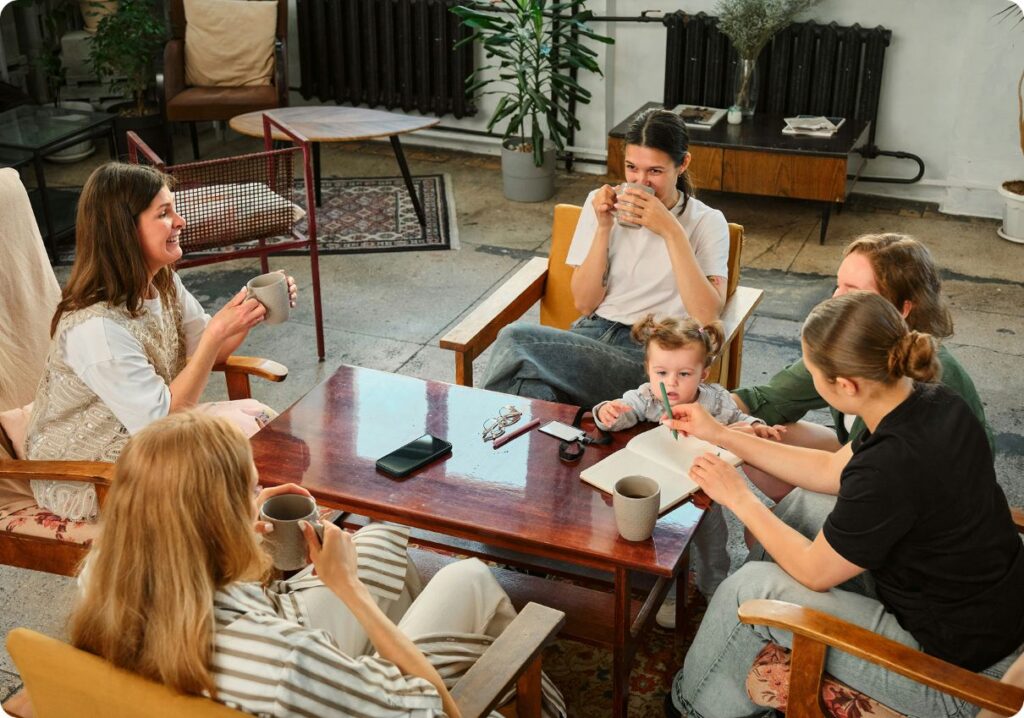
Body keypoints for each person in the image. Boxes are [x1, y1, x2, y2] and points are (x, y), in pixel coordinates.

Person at [664, 292, 1024, 718]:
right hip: (986, 607)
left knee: (746, 592)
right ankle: (745, 645)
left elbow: (816, 571)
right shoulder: (932, 400)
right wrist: (722, 435)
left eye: (812, 372)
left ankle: (689, 706)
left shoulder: (891, 467)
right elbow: (832, 471)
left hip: (958, 667)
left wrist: (738, 496)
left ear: (846, 387)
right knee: (800, 506)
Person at [68, 411, 566, 718]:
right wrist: (351, 591)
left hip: (277, 650)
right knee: (469, 576)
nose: (260, 497)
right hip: (358, 689)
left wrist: (245, 538)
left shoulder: (101, 582)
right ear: (219, 520)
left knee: (386, 546)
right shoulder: (287, 663)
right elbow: (438, 712)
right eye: (251, 490)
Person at [24, 162, 297, 521]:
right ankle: (259, 550)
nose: (180, 221)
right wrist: (217, 331)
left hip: (149, 433)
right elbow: (162, 423)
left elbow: (208, 353)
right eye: (164, 214)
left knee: (263, 430)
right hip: (95, 471)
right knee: (224, 475)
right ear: (125, 230)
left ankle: (281, 536)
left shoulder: (162, 281)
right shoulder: (96, 329)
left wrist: (248, 312)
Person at [482, 108, 731, 409]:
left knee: (515, 339)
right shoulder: (601, 203)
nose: (641, 181)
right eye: (632, 168)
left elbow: (707, 315)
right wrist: (603, 227)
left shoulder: (707, 222)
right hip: (592, 336)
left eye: (655, 171)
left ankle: (472, 428)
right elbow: (585, 304)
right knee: (532, 390)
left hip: (655, 355)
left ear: (682, 164)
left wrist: (671, 231)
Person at [732, 233, 992, 503]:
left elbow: (842, 473)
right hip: (868, 466)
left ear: (902, 308)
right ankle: (795, 516)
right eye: (837, 285)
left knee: (763, 520)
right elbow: (771, 397)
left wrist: (741, 495)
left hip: (917, 502)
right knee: (759, 435)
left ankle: (799, 519)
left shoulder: (927, 383)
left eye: (853, 291)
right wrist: (705, 404)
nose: (834, 299)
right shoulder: (855, 342)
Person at [592, 313, 783, 621]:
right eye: (661, 372)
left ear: (704, 373)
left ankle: (714, 586)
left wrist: (758, 427)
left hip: (705, 486)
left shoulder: (715, 402)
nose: (671, 383)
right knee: (663, 543)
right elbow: (621, 413)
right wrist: (607, 411)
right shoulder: (647, 397)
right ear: (648, 370)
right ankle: (666, 595)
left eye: (684, 374)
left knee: (713, 542)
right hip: (661, 488)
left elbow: (740, 421)